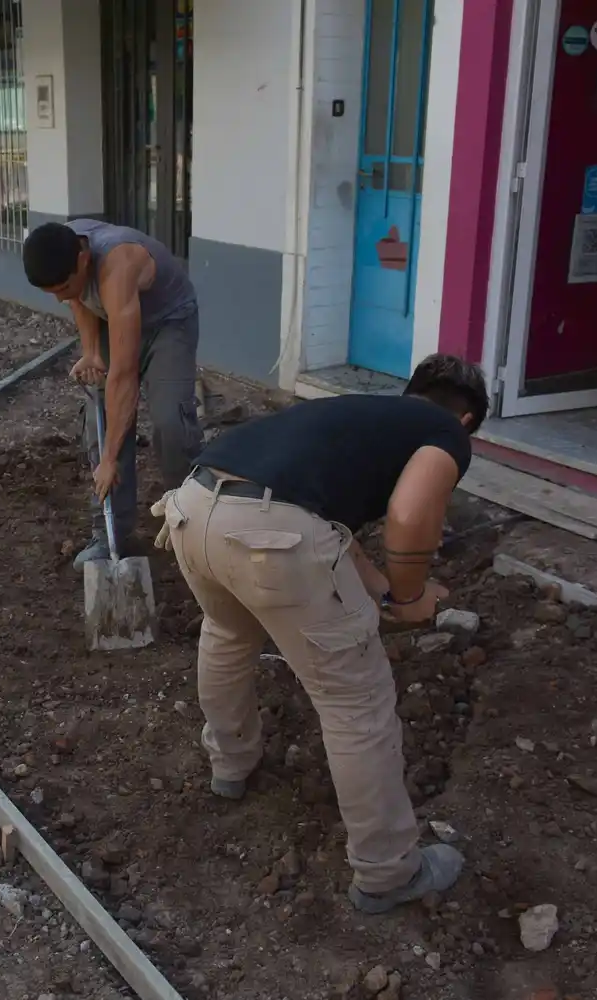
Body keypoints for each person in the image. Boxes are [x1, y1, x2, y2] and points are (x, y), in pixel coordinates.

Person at [149, 354, 489, 914]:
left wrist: (380, 590)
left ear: (411, 390)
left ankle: (230, 765)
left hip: (193, 507)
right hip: (270, 532)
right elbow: (408, 515)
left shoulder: (356, 417)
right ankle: (387, 872)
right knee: (356, 700)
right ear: (469, 419)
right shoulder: (445, 432)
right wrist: (409, 595)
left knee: (229, 633)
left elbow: (331, 525)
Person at [22, 220, 201, 567]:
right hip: (114, 317)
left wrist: (110, 460)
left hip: (168, 323)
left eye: (62, 286)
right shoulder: (62, 249)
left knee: (170, 423)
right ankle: (110, 535)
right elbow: (78, 298)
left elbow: (124, 376)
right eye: (51, 292)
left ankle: (196, 525)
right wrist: (91, 351)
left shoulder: (117, 265)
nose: (59, 297)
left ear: (84, 260)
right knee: (97, 421)